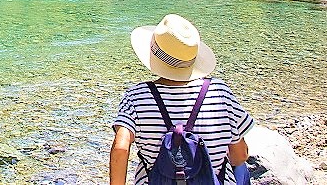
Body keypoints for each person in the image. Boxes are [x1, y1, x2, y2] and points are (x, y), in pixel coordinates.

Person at [109, 14, 255, 184]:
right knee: (241, 169)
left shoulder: (136, 96)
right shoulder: (220, 92)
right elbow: (239, 156)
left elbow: (121, 147)